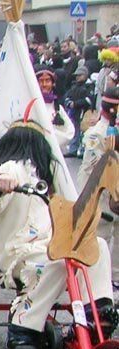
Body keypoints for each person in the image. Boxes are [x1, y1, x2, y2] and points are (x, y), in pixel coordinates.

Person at [0, 121, 115, 349]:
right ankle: (24, 325)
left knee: (98, 246)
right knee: (61, 260)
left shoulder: (46, 180)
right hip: (19, 255)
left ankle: (97, 310)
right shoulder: (13, 169)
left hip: (49, 247)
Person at [79, 86, 119, 287]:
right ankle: (94, 280)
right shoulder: (96, 134)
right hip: (98, 195)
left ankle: (115, 278)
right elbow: (96, 167)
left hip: (115, 194)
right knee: (99, 235)